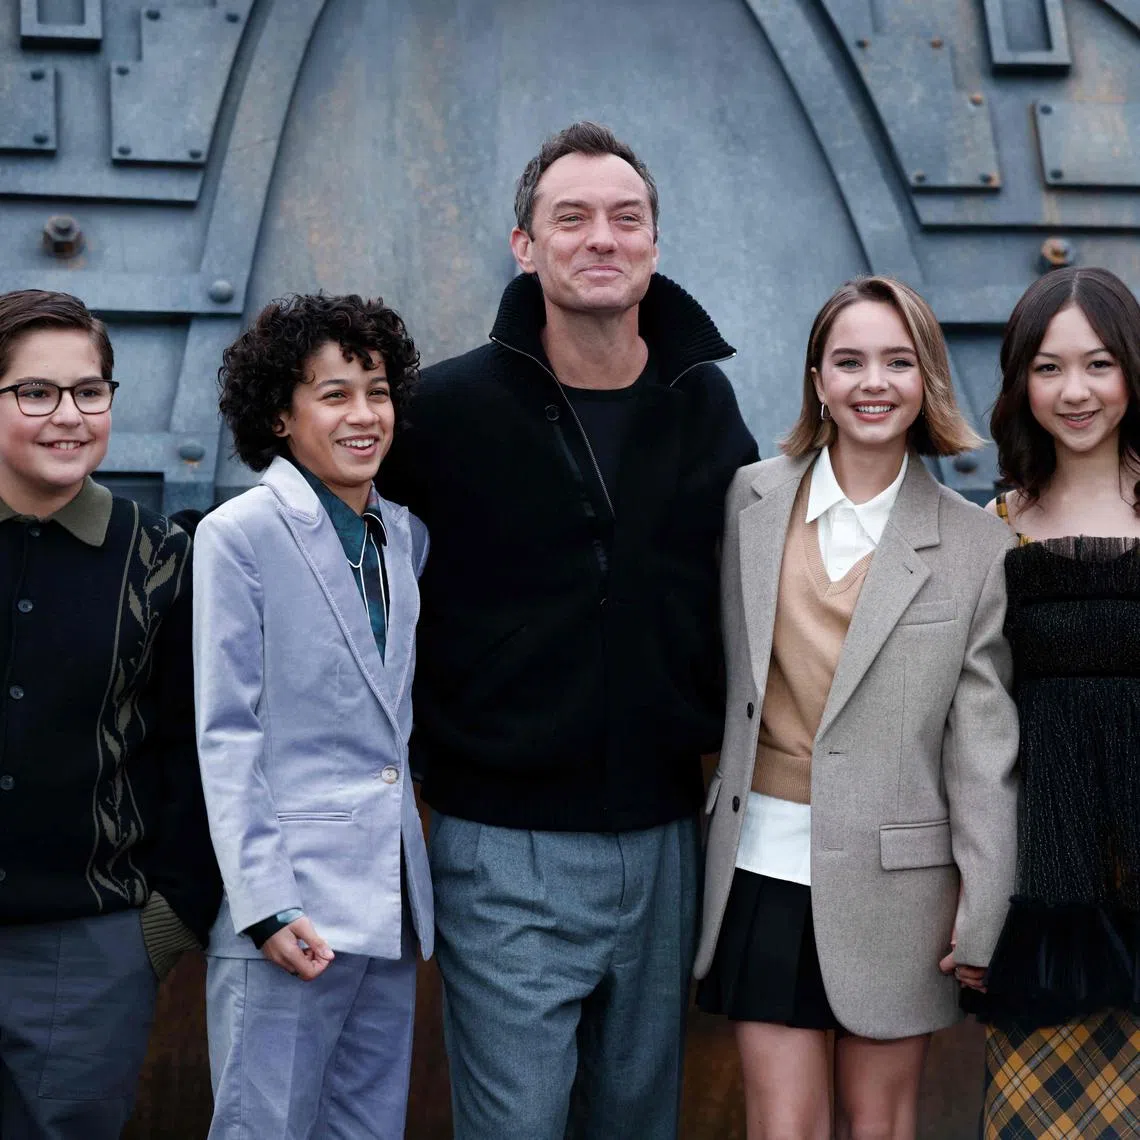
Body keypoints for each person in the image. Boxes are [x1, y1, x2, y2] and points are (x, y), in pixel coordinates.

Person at [379, 121, 757, 1139]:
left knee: (638, 1121)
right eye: (572, 217)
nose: (602, 238)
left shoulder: (703, 401)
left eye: (626, 218)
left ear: (654, 244)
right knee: (517, 1125)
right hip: (501, 843)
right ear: (525, 245)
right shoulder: (443, 410)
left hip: (664, 837)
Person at [694, 275, 1020, 1140]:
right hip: (762, 861)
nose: (873, 382)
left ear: (927, 379)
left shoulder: (978, 545)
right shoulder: (750, 501)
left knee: (880, 1125)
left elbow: (981, 748)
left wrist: (986, 903)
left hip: (902, 886)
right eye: (849, 362)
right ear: (818, 380)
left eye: (897, 362)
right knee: (783, 1126)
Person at [193, 293, 432, 1140]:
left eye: (378, 391)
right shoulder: (239, 534)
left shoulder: (404, 536)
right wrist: (263, 904)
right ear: (280, 415)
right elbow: (227, 732)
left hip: (388, 904)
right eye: (335, 395)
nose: (364, 415)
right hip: (287, 910)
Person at [0, 289, 219, 1138]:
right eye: (36, 392)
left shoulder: (161, 558)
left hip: (85, 954)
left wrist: (164, 925)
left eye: (89, 391)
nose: (69, 415)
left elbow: (196, 751)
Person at [968, 266, 1140, 1138]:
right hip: (1046, 891)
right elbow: (974, 731)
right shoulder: (993, 528)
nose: (1076, 391)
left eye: (1099, 364)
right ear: (1020, 382)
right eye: (1048, 367)